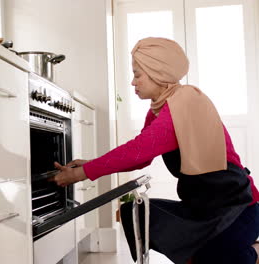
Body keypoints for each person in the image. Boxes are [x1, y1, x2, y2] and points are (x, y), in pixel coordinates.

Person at [50, 37, 259, 264]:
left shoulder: (185, 101)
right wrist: (90, 163)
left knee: (220, 257)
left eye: (138, 74)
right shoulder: (159, 109)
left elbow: (140, 150)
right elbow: (141, 158)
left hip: (237, 208)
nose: (133, 82)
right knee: (134, 213)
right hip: (200, 208)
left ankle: (254, 252)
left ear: (158, 73)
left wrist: (85, 172)